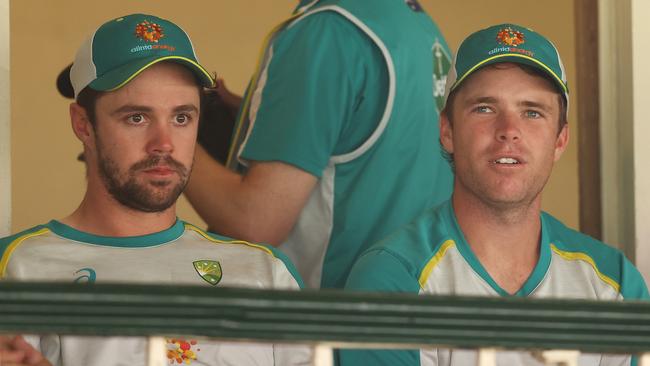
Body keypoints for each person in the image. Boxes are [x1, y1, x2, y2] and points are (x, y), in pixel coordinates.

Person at [0, 13, 309, 366]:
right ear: (83, 124)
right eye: (137, 117)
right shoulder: (18, 267)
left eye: (181, 118)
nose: (163, 144)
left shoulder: (264, 270)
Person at [339, 23, 649, 365]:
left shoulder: (614, 284)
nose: (509, 132)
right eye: (485, 108)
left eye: (532, 112)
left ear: (560, 140)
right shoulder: (392, 278)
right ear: (447, 131)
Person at [185, 0, 454, 289]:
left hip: (324, 319)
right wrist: (253, 119)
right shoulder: (419, 26)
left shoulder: (328, 33)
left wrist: (169, 140)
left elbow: (256, 222)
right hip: (408, 312)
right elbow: (363, 136)